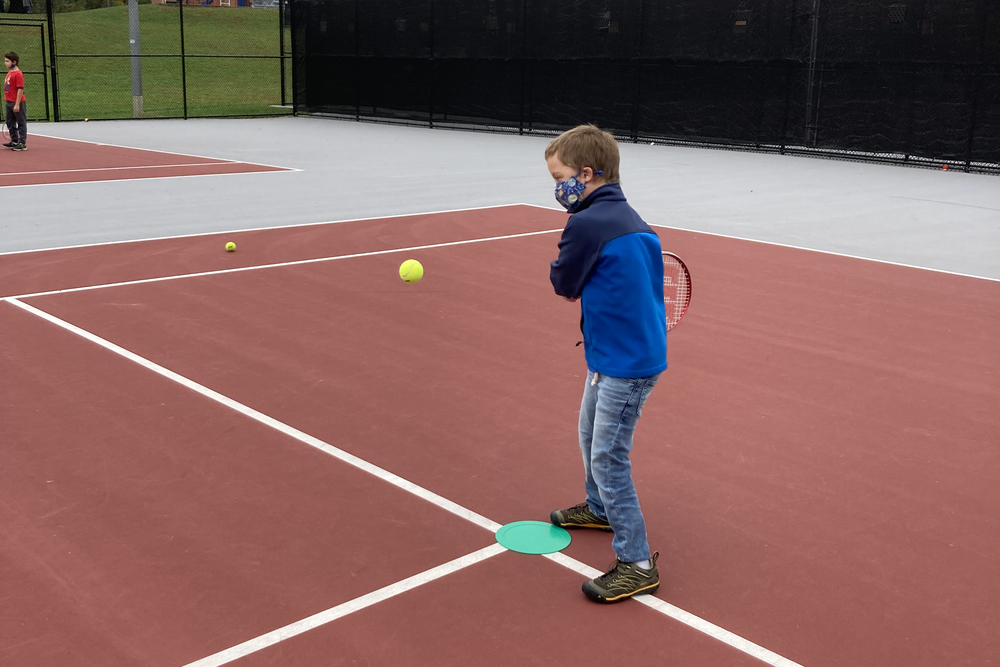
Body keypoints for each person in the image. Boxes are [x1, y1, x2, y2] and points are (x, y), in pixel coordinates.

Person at [546, 124, 667, 603]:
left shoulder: (587, 223)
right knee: (587, 434)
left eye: (560, 177)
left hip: (625, 364)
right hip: (615, 354)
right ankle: (599, 509)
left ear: (588, 174)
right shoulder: (632, 219)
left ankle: (637, 563)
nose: (558, 188)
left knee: (608, 457)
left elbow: (564, 283)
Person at [4, 51, 27, 151]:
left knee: (20, 122)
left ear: (14, 62)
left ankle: (22, 142)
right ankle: (14, 140)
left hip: (16, 102)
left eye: (7, 61)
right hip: (8, 101)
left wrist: (17, 104)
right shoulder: (10, 72)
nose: (5, 63)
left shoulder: (18, 74)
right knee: (10, 122)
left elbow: (20, 89)